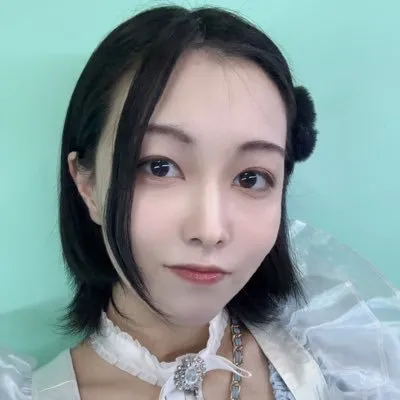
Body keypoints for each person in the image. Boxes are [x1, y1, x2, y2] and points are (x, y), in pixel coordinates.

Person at [1, 5, 399, 400]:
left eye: (251, 177)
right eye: (159, 167)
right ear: (87, 184)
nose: (210, 230)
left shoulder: (347, 359)